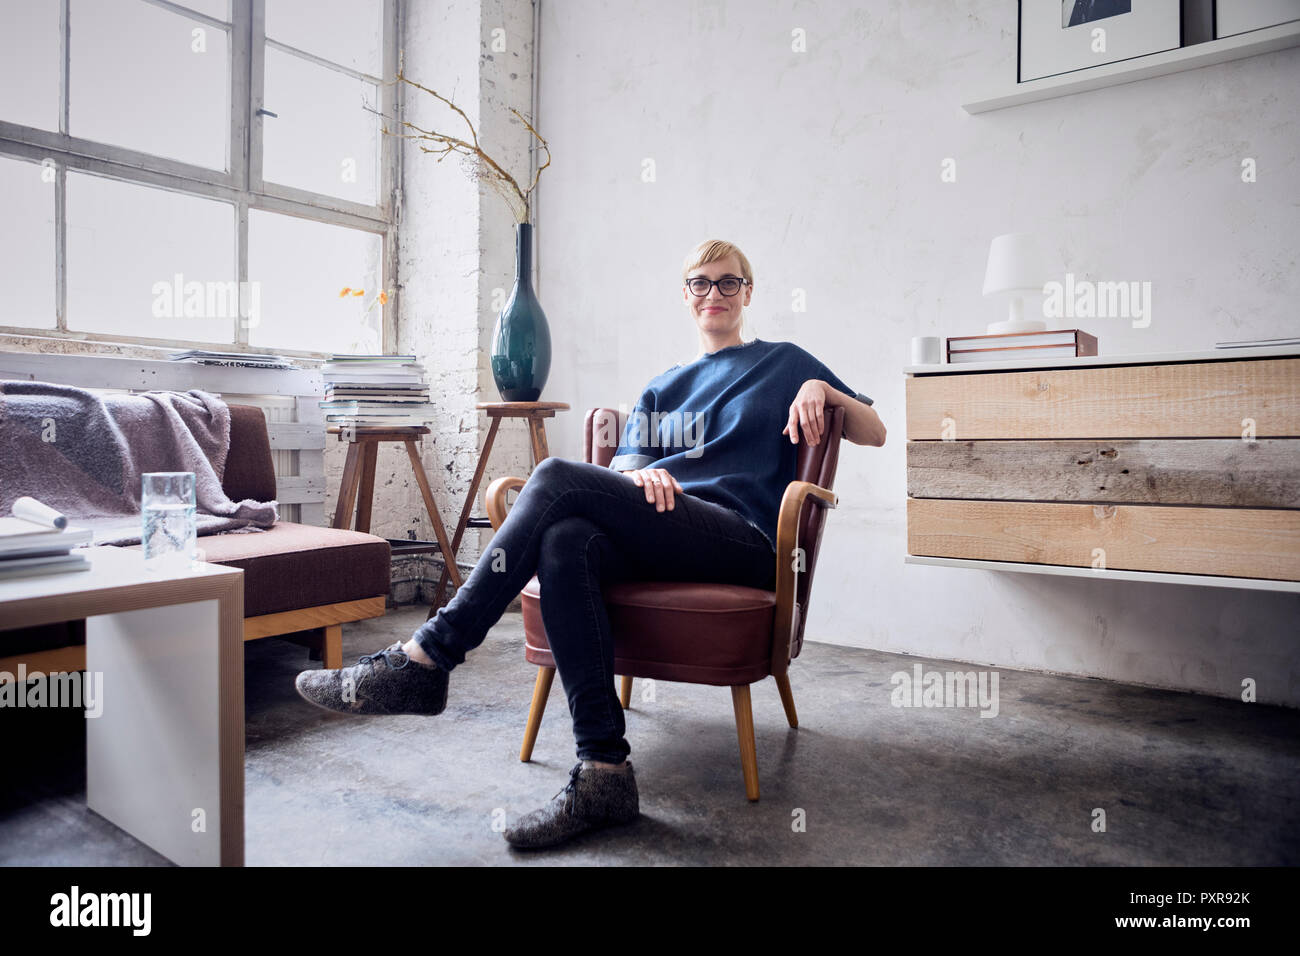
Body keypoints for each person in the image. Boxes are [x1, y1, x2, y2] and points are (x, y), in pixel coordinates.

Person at [295, 238, 887, 850]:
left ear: (748, 292)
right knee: (567, 541)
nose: (715, 293)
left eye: (729, 282)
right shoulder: (663, 388)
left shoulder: (784, 362)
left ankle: (426, 658)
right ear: (686, 297)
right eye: (701, 283)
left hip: (744, 539)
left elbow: (875, 431)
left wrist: (825, 389)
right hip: (669, 529)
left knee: (553, 477)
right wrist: (637, 476)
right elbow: (628, 470)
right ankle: (604, 772)